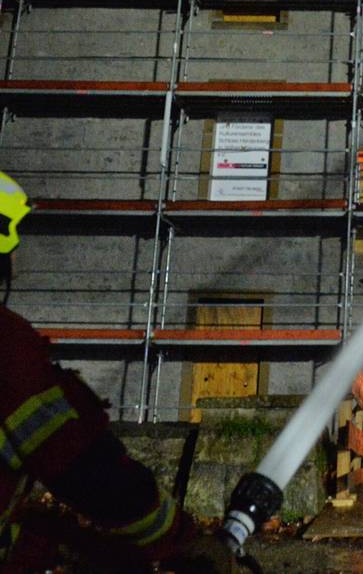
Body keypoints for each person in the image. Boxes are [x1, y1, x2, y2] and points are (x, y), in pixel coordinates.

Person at [0, 171, 235, 572]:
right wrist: (180, 539)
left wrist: (66, 545)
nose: (19, 256)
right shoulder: (7, 345)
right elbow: (82, 468)